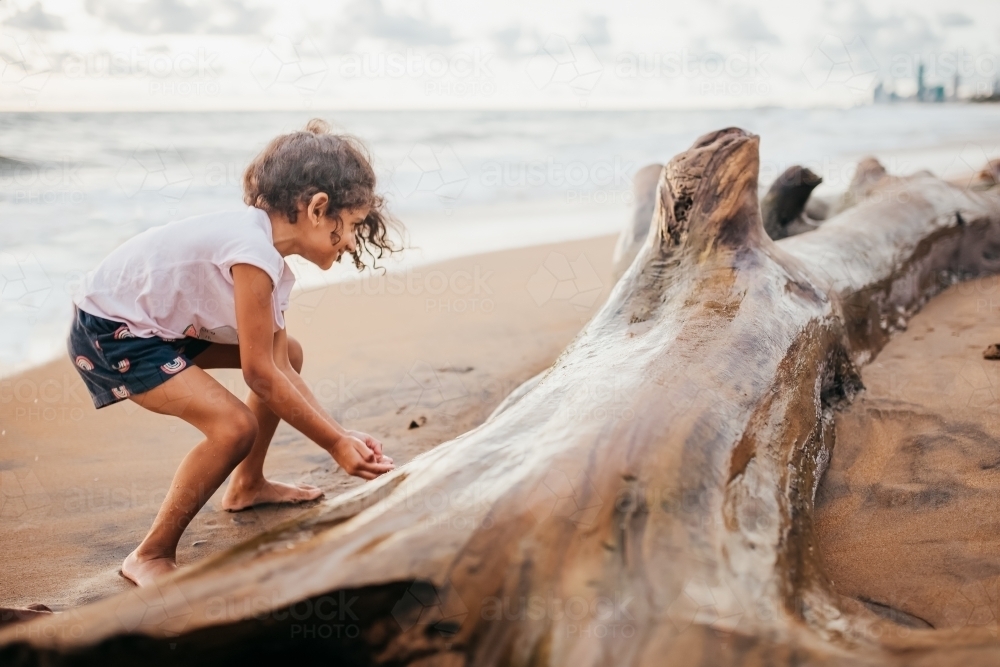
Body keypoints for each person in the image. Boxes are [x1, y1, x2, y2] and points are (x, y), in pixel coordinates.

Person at [68, 119, 399, 587]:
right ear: (318, 208)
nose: (350, 243)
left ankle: (248, 485)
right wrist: (334, 445)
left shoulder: (269, 259)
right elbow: (260, 376)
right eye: (352, 227)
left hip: (158, 326)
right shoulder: (252, 253)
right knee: (233, 427)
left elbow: (280, 366)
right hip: (111, 331)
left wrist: (342, 433)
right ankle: (149, 554)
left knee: (293, 353)